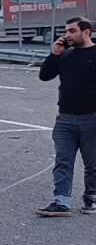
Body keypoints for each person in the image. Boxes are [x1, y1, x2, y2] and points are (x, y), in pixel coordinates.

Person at [36, 17, 96, 217]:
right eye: (66, 31)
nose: (67, 35)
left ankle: (91, 199)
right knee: (63, 161)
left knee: (92, 163)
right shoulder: (65, 55)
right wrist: (54, 54)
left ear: (86, 32)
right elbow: (44, 76)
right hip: (65, 119)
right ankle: (61, 202)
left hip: (92, 118)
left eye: (72, 31)